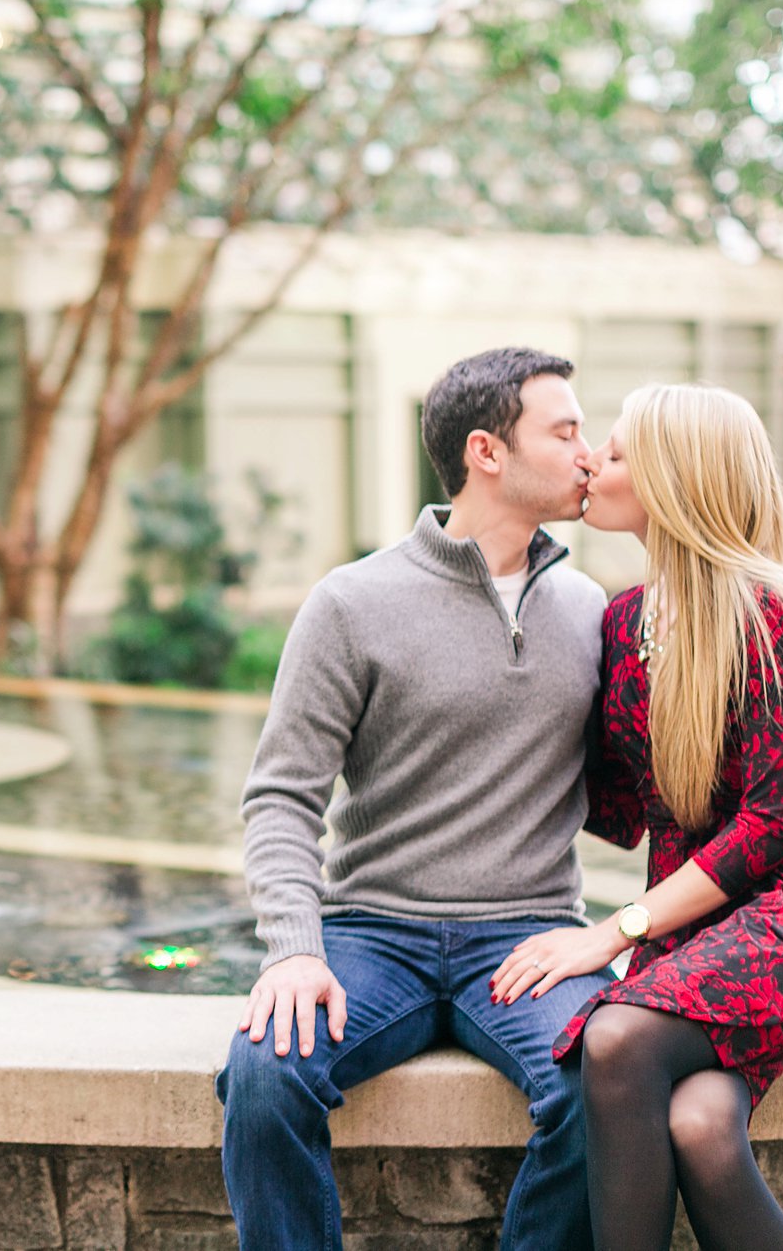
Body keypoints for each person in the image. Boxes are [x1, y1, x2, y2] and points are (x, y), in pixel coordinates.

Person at [220, 347, 610, 1251]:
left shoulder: (594, 610)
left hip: (530, 935)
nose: (588, 451)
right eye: (565, 429)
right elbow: (281, 795)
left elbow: (657, 780)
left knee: (606, 1080)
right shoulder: (351, 603)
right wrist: (291, 949)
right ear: (487, 451)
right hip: (372, 932)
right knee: (263, 1073)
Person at [488, 382, 783, 1251]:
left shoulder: (772, 610)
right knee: (702, 1126)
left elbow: (770, 826)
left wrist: (613, 932)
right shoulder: (624, 622)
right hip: (700, 940)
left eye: (622, 451)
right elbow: (619, 811)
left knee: (616, 1035)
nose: (595, 458)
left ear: (677, 480)